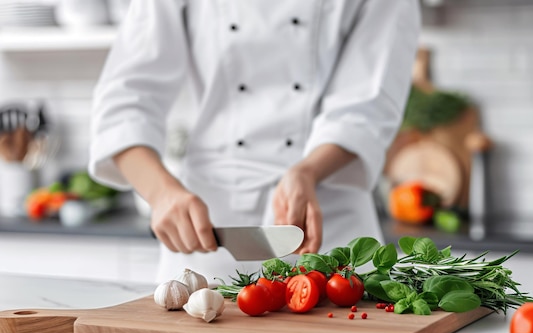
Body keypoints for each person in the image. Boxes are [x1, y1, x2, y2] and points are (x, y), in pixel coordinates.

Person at [89, 1, 421, 283]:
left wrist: (305, 172)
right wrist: (161, 193)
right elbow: (126, 102)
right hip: (208, 234)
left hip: (331, 231)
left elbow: (367, 106)